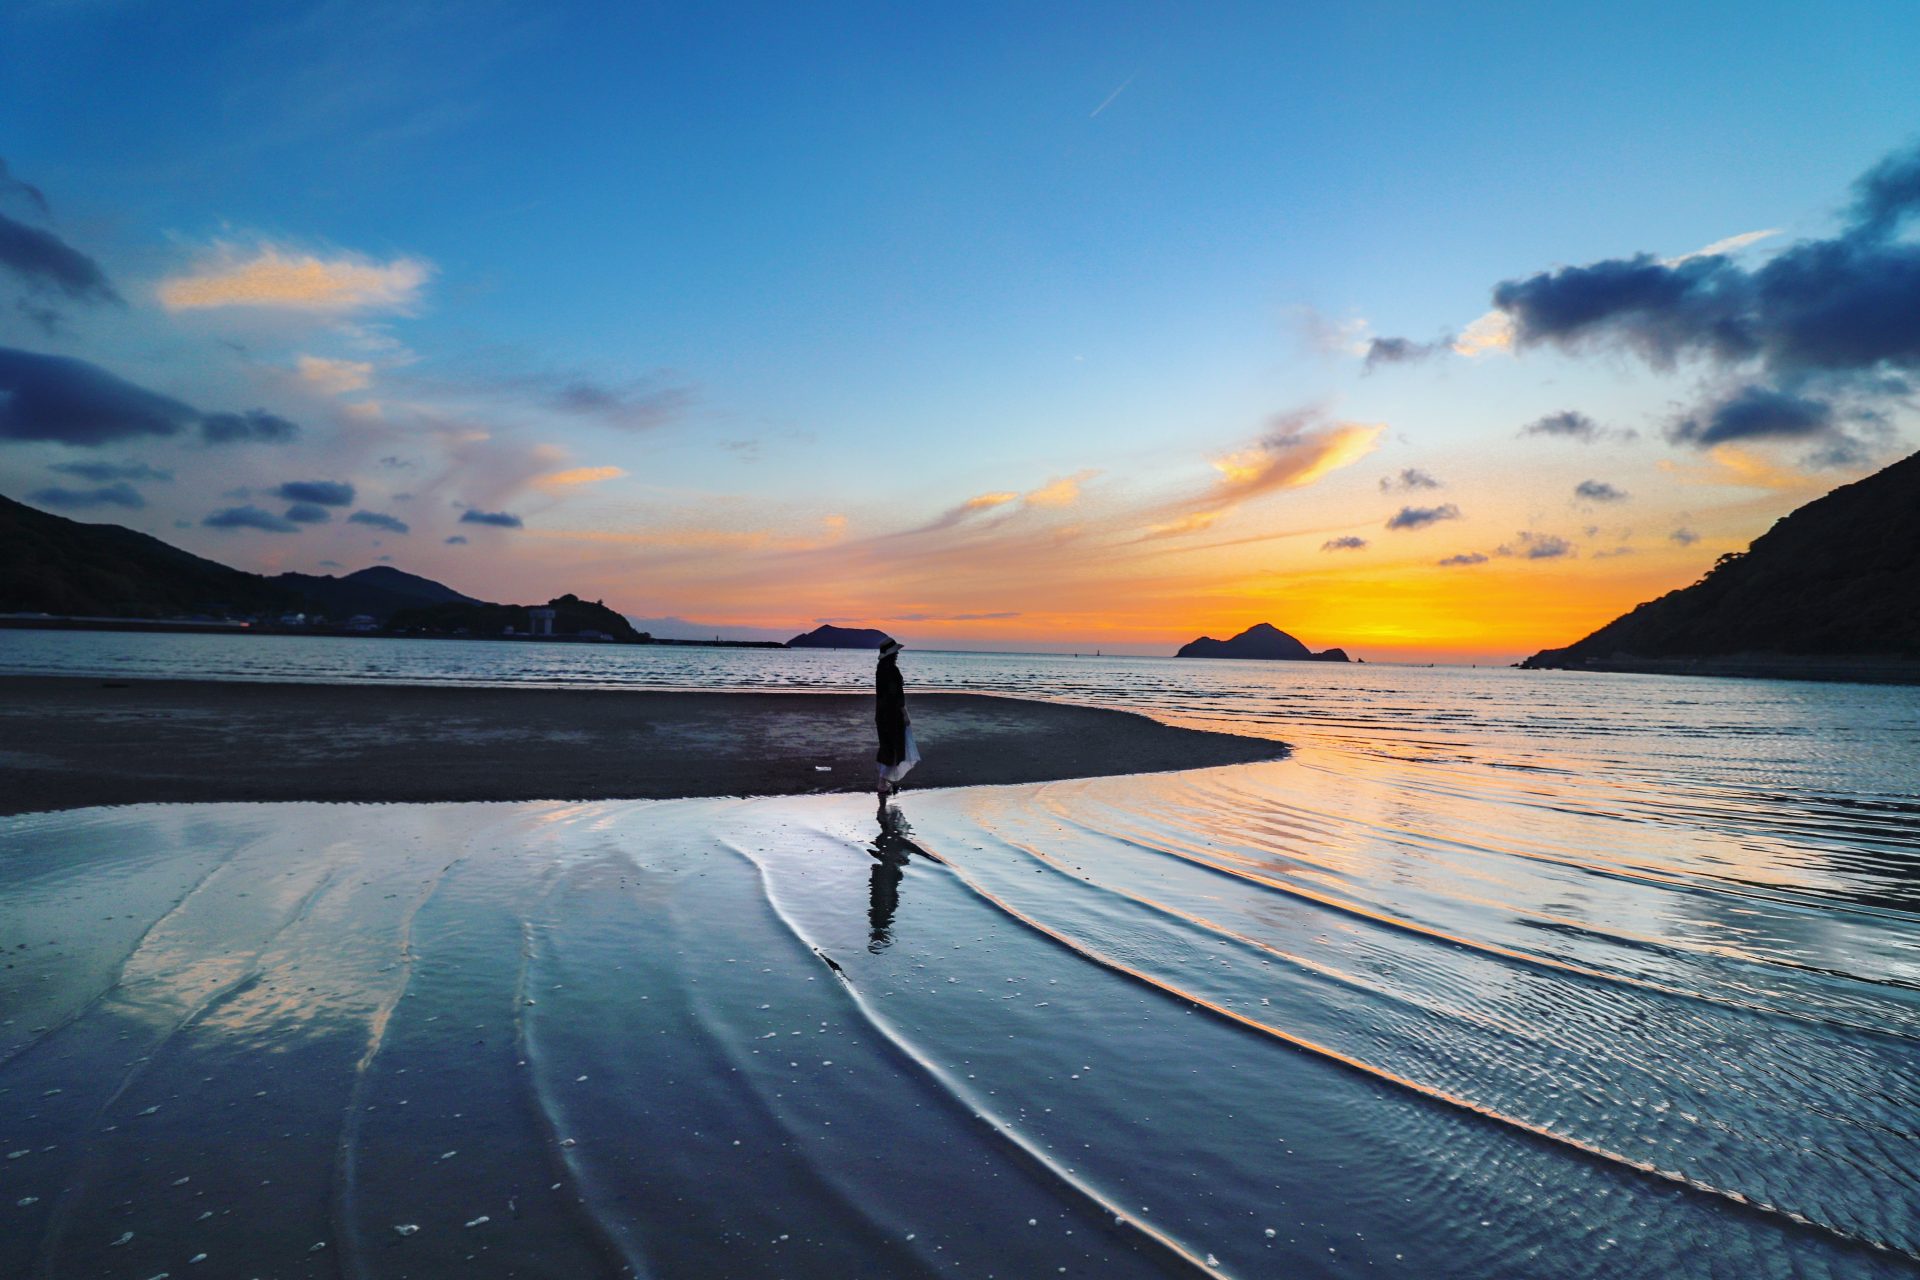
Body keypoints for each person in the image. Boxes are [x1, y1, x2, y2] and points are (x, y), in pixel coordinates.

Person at [874, 638, 918, 812]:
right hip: (892, 714)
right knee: (894, 747)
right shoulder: (891, 670)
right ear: (891, 654)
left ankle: (883, 782)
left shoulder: (880, 669)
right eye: (895, 651)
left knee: (887, 746)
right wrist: (904, 713)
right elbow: (896, 695)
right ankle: (883, 782)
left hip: (881, 713)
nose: (898, 654)